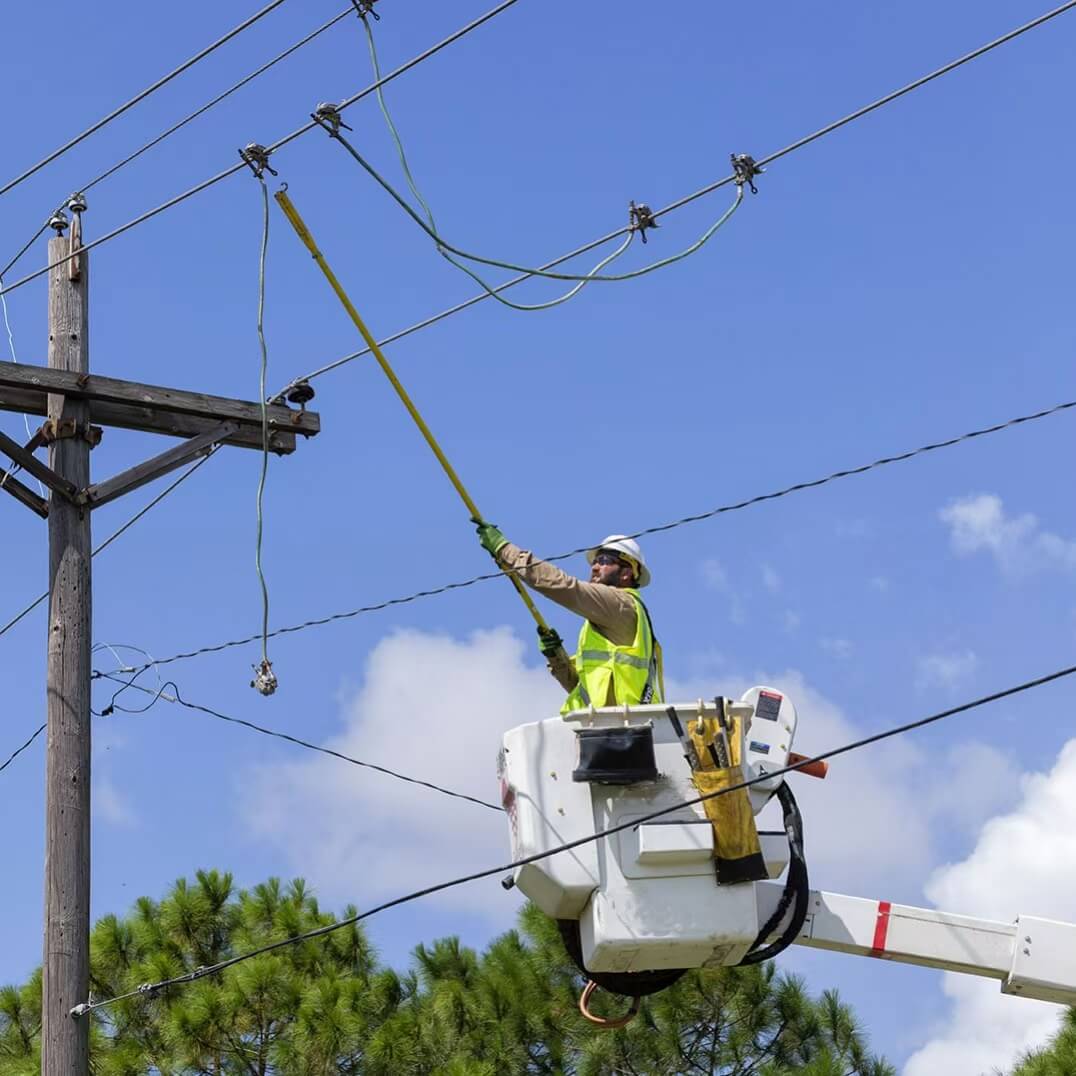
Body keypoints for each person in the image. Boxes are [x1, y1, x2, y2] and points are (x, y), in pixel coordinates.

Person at [474, 522, 664, 713]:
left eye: (605, 560)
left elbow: (565, 587)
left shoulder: (621, 605)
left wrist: (505, 551)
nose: (595, 567)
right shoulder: (605, 621)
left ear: (626, 573)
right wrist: (557, 657)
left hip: (621, 726)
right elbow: (580, 688)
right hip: (602, 726)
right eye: (595, 561)